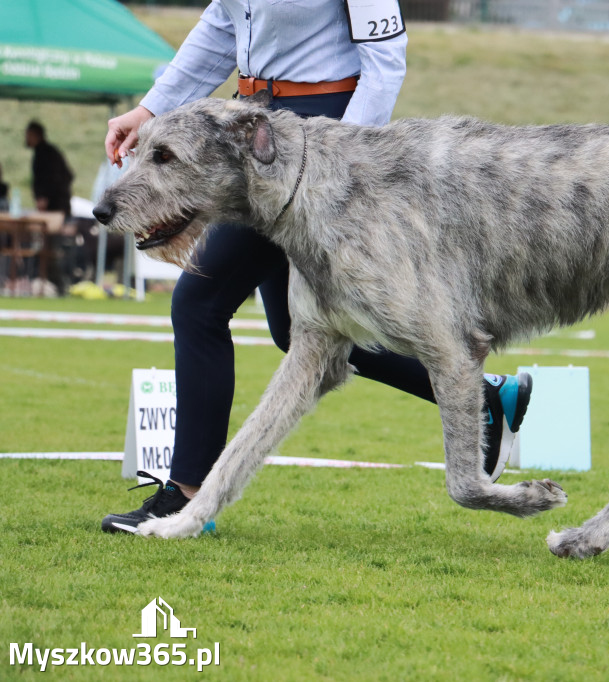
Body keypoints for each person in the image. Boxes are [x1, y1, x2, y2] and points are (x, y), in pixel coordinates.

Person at [101, 0, 532, 534]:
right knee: (295, 331)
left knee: (199, 304)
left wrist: (347, 159)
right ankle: (490, 396)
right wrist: (149, 110)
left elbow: (385, 56)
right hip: (250, 131)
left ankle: (185, 496)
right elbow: (219, 28)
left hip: (323, 135)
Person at [25, 121, 74, 217]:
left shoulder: (45, 154)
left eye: (28, 135)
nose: (26, 138)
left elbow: (54, 177)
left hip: (55, 206)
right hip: (57, 203)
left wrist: (44, 197)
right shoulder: (44, 152)